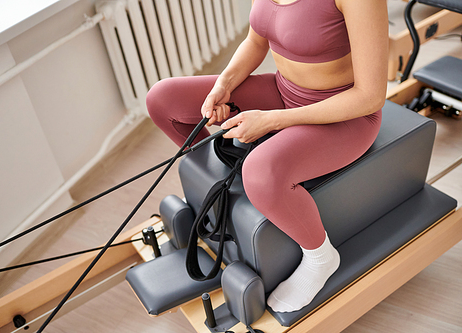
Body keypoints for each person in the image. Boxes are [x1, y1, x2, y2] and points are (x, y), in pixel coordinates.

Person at [146, 0, 388, 312]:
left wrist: (271, 120)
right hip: (283, 91)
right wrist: (224, 86)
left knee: (259, 170)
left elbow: (370, 96)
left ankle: (320, 257)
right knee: (163, 100)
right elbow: (255, 40)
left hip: (345, 117)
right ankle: (212, 183)